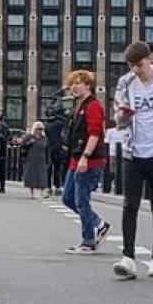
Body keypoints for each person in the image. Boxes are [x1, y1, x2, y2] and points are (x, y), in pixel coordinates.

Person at [112, 41, 153, 280]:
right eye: (131, 65)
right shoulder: (125, 83)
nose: (136, 70)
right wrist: (123, 117)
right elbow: (117, 120)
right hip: (133, 151)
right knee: (130, 204)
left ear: (150, 59)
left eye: (139, 64)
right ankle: (128, 257)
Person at [62, 70, 110, 254]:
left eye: (78, 83)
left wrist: (86, 156)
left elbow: (95, 133)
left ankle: (88, 241)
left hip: (89, 160)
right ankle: (99, 223)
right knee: (68, 197)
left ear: (88, 86)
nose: (74, 86)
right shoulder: (78, 107)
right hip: (76, 159)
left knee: (82, 199)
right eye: (72, 83)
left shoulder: (93, 106)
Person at [21, 121, 48, 198]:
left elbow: (45, 146)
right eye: (38, 129)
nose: (39, 131)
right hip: (30, 158)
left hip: (41, 158)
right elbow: (23, 145)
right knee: (30, 175)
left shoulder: (44, 138)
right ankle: (31, 193)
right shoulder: (29, 136)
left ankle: (42, 192)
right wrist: (30, 142)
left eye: (41, 129)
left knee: (42, 175)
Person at [44, 110, 67, 196]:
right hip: (58, 147)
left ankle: (48, 187)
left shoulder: (46, 125)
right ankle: (57, 186)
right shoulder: (59, 124)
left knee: (49, 167)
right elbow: (65, 122)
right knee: (57, 168)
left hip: (49, 147)